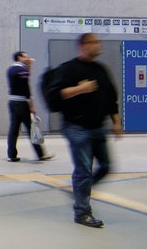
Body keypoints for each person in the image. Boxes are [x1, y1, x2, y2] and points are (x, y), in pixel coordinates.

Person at [41, 33, 121, 227]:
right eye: (95, 43)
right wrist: (80, 89)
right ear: (83, 46)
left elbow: (111, 98)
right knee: (83, 171)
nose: (98, 46)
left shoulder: (101, 69)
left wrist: (116, 122)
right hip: (76, 127)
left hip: (97, 127)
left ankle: (79, 192)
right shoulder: (68, 69)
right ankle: (82, 212)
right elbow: (55, 96)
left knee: (107, 166)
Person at [6, 51, 52, 163]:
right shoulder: (22, 70)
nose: (28, 58)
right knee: (32, 129)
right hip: (22, 103)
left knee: (13, 129)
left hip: (12, 101)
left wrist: (28, 66)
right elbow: (26, 87)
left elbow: (25, 79)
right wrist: (31, 105)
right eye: (25, 57)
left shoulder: (10, 70)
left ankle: (12, 155)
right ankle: (40, 154)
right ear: (19, 57)